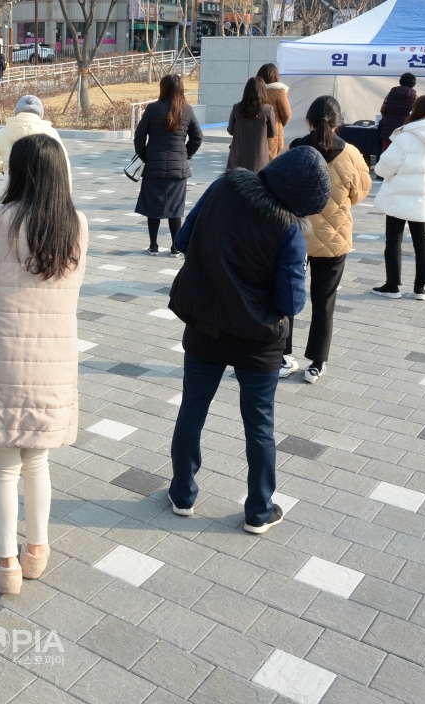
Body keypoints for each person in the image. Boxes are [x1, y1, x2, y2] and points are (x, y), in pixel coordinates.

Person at [0, 133, 87, 595]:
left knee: (4, 468)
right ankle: (37, 551)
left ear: (18, 172)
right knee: (38, 464)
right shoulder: (77, 225)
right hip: (53, 361)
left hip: (1, 362)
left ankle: (6, 564)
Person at [167, 146, 331, 533]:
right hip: (258, 341)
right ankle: (258, 510)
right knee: (259, 426)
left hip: (205, 324)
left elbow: (185, 238)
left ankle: (183, 494)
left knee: (192, 409)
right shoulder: (289, 229)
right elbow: (291, 302)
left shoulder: (225, 186)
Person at [282, 96, 371, 383]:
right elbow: (358, 195)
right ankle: (317, 363)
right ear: (338, 123)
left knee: (287, 297)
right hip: (334, 241)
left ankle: (283, 356)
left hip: (296, 236)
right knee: (324, 302)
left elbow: (278, 187)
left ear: (309, 120)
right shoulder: (353, 155)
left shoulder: (295, 148)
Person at [371, 94, 425, 300]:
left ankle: (392, 285)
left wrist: (380, 170)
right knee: (422, 240)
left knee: (394, 240)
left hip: (400, 192)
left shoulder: (407, 135)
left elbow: (386, 166)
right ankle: (420, 288)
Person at [133, 73, 202, 256]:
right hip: (178, 169)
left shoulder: (153, 109)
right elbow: (198, 137)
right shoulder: (187, 110)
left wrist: (145, 155)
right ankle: (175, 247)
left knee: (153, 207)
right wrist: (185, 154)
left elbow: (139, 135)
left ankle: (154, 246)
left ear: (163, 88)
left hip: (153, 166)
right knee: (175, 209)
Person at [0, 95, 69, 177]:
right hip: (44, 183)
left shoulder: (4, 132)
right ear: (40, 113)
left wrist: (3, 168)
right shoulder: (51, 133)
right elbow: (64, 165)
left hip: (13, 180)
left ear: (17, 111)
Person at [227, 76, 277, 173]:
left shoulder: (237, 108)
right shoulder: (268, 109)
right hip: (259, 157)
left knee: (236, 183)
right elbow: (272, 133)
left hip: (238, 155)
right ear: (263, 91)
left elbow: (230, 130)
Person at [378, 73, 418, 157]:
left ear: (400, 81)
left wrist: (386, 119)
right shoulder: (415, 97)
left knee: (386, 154)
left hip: (388, 129)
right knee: (402, 155)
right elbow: (416, 114)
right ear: (414, 84)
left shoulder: (391, 93)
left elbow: (383, 109)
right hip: (405, 130)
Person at [258, 63, 291, 159]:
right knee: (273, 162)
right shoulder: (279, 92)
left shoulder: (256, 90)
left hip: (256, 131)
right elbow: (287, 114)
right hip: (274, 134)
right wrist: (279, 123)